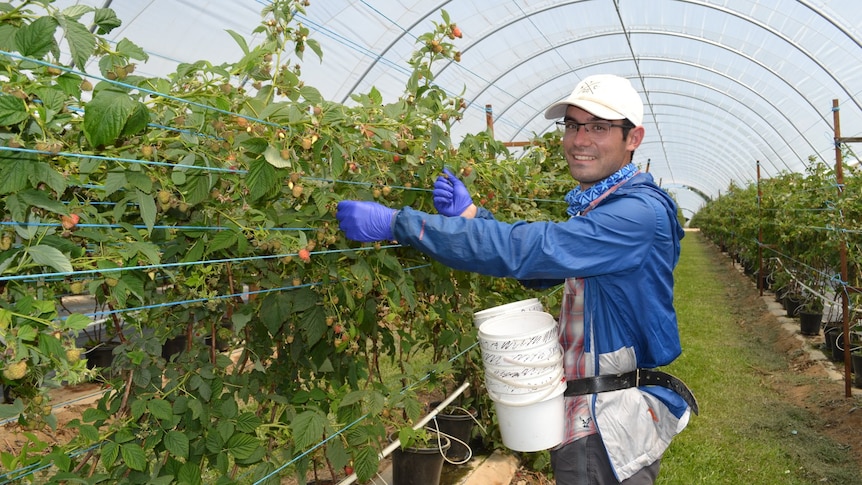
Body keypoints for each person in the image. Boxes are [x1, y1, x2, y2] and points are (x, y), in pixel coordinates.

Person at [336, 74, 695, 484]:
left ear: (633, 139)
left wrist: (401, 223)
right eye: (573, 125)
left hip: (605, 420)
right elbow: (544, 268)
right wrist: (474, 219)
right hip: (592, 409)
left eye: (599, 127)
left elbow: (531, 250)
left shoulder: (635, 215)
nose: (580, 139)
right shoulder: (605, 205)